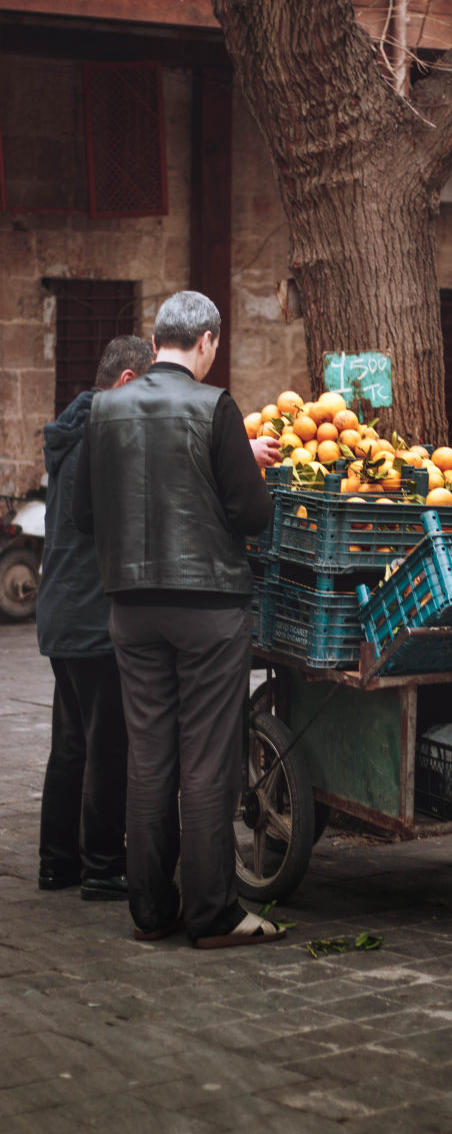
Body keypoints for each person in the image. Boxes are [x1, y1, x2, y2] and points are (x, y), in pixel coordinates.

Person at [73, 290, 285, 947]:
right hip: (207, 607)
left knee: (150, 754)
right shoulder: (213, 405)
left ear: (156, 337)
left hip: (130, 607)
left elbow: (83, 516)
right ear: (208, 342)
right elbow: (253, 514)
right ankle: (213, 913)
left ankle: (150, 910)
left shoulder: (102, 409)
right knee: (206, 758)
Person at [37, 335, 155, 899]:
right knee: (107, 746)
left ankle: (58, 863)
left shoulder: (75, 426)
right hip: (89, 612)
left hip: (62, 608)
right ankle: (104, 868)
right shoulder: (101, 435)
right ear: (128, 383)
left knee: (72, 743)